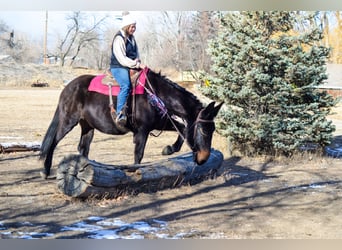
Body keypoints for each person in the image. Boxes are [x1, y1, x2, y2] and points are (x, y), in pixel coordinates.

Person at [110, 12, 146, 126]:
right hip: (119, 67)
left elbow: (136, 53)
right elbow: (122, 59)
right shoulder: (118, 39)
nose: (134, 29)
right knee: (126, 85)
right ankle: (120, 113)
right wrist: (136, 64)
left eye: (134, 26)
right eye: (132, 26)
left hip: (131, 65)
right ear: (126, 26)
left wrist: (138, 61)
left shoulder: (132, 38)